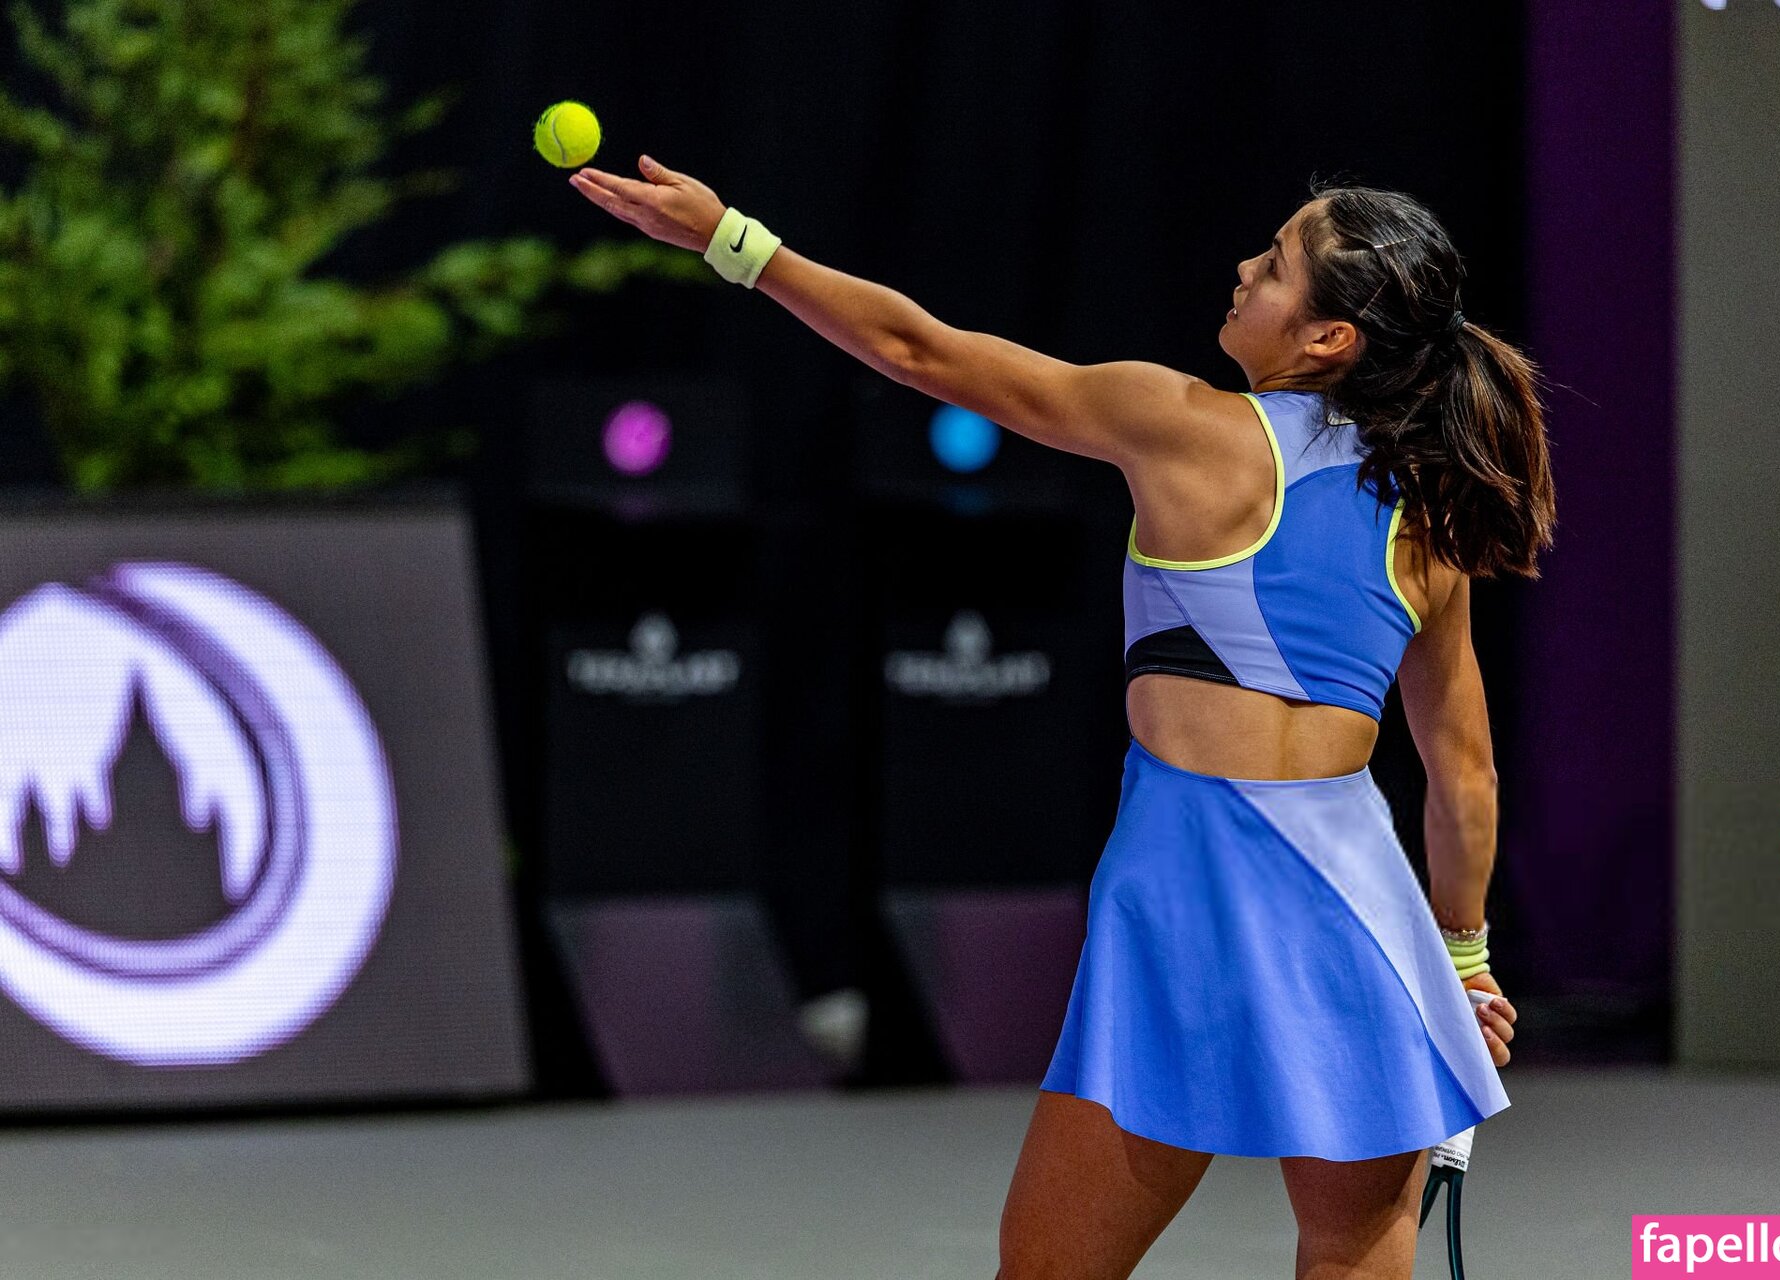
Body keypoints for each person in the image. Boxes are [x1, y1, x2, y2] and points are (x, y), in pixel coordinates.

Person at [570, 157, 1552, 1280]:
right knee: (1352, 1254)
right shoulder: (1430, 520)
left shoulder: (1180, 422)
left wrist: (733, 241)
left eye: (1277, 264)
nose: (1244, 268)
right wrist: (1464, 960)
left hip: (1186, 899)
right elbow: (1462, 776)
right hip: (1362, 913)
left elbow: (920, 351)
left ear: (1329, 338)